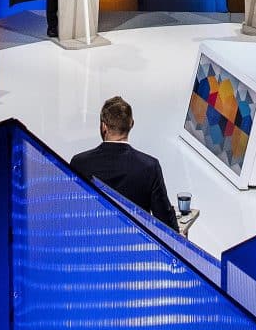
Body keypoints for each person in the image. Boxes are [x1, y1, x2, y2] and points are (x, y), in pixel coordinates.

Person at [70, 96, 180, 231]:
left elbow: (70, 215)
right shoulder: (150, 166)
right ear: (131, 124)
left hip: (91, 242)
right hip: (134, 243)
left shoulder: (79, 163)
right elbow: (167, 226)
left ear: (104, 126)